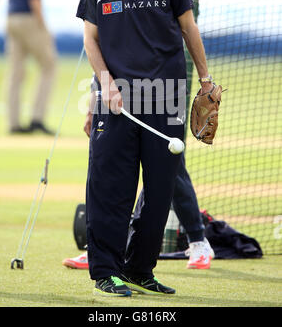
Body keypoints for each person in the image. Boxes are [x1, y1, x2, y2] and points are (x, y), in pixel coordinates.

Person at [76, 0, 215, 297]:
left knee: (159, 192)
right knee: (110, 190)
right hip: (115, 102)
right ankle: (106, 270)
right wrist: (104, 87)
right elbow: (91, 39)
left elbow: (189, 27)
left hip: (166, 96)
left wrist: (205, 80)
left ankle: (140, 268)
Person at [62, 85, 214, 271]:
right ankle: (102, 250)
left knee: (171, 170)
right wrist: (92, 108)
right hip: (116, 97)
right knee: (113, 174)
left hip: (160, 94)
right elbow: (100, 66)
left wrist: (205, 80)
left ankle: (198, 241)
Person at [6, 0, 56, 135]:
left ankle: (14, 122)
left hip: (11, 18)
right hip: (28, 18)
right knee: (49, 65)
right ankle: (37, 117)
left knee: (15, 72)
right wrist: (43, 25)